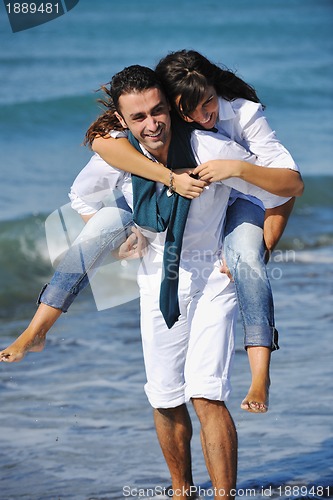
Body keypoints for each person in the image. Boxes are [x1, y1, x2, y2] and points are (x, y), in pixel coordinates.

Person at [1, 65, 303, 499]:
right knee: (164, 397)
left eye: (158, 111)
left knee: (206, 394)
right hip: (157, 282)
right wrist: (124, 240)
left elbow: (280, 189)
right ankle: (181, 491)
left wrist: (260, 237)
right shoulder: (121, 155)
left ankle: (225, 496)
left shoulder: (208, 147)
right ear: (123, 122)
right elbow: (82, 197)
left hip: (212, 283)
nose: (152, 123)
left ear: (170, 108)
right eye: (139, 117)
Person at [91, 50, 303, 413]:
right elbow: (103, 143)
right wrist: (167, 179)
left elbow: (289, 186)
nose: (204, 116)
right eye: (190, 111)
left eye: (209, 103)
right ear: (173, 107)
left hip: (248, 192)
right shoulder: (165, 115)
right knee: (165, 393)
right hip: (198, 220)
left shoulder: (244, 114)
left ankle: (260, 375)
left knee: (248, 262)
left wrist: (265, 237)